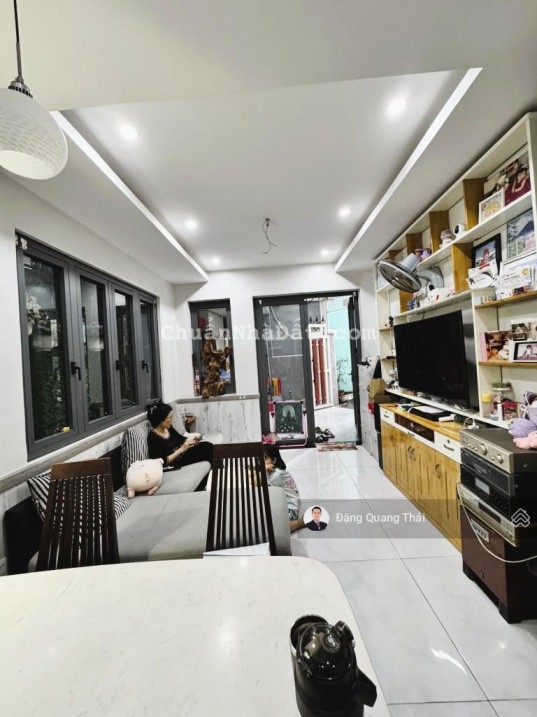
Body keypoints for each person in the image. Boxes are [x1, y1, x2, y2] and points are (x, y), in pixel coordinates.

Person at [146, 400, 213, 490]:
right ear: (161, 419)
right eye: (170, 418)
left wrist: (190, 440)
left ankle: (206, 482)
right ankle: (200, 487)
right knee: (207, 454)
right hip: (175, 462)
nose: (172, 420)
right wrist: (181, 450)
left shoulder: (168, 428)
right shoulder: (153, 437)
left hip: (183, 453)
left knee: (208, 446)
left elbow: (180, 438)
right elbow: (161, 462)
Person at [263, 444, 304, 533]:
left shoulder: (277, 475)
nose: (261, 461)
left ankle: (303, 522)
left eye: (265, 458)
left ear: (274, 460)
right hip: (287, 503)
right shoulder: (274, 471)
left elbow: (257, 483)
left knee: (277, 528)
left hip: (291, 507)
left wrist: (263, 470)